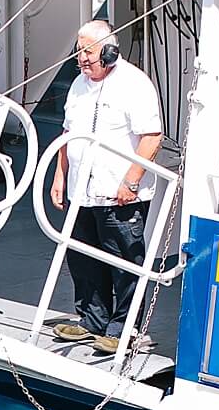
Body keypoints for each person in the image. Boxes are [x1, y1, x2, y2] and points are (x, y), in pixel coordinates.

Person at [49, 19, 163, 354]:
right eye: (78, 52)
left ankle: (125, 331)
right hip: (81, 192)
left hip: (119, 195)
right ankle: (91, 321)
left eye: (88, 52)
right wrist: (60, 176)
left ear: (110, 51)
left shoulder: (134, 84)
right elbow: (68, 135)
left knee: (123, 262)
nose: (82, 59)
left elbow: (151, 137)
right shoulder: (78, 86)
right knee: (83, 259)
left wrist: (132, 181)